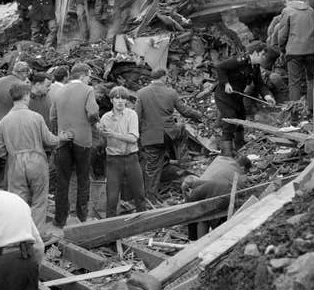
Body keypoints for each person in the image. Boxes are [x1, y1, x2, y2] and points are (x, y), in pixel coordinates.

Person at [0, 82, 64, 235]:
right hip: (37, 160)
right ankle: (37, 234)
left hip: (15, 164)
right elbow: (50, 141)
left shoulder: (4, 121)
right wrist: (62, 138)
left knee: (18, 201)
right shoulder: (36, 117)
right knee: (39, 201)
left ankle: (20, 234)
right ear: (26, 96)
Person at [136, 69, 202, 200]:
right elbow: (184, 111)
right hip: (169, 134)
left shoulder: (141, 93)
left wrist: (137, 136)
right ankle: (184, 161)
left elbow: (137, 116)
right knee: (182, 128)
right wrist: (198, 115)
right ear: (164, 77)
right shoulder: (171, 92)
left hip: (150, 138)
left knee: (152, 167)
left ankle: (151, 197)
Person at [50, 62, 99, 227]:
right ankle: (82, 216)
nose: (89, 80)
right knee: (83, 178)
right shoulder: (88, 90)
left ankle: (59, 219)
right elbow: (92, 112)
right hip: (82, 140)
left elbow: (52, 116)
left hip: (63, 140)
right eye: (89, 77)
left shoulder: (59, 90)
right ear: (83, 75)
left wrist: (62, 129)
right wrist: (93, 123)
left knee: (62, 180)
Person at [214, 41, 275, 154]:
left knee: (241, 117)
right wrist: (226, 83)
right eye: (262, 55)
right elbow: (220, 67)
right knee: (230, 120)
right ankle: (226, 153)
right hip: (224, 96)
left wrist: (267, 97)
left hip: (237, 96)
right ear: (255, 53)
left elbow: (260, 84)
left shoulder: (255, 67)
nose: (263, 58)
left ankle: (239, 146)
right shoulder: (239, 61)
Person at [99, 86, 145, 217]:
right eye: (117, 98)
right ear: (112, 100)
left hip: (131, 158)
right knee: (112, 198)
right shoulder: (105, 118)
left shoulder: (132, 114)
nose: (120, 101)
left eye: (123, 98)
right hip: (113, 161)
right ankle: (110, 231)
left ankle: (143, 226)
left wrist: (113, 134)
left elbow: (133, 138)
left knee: (139, 194)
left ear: (126, 100)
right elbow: (102, 141)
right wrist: (100, 133)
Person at [181, 155, 249, 239]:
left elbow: (190, 215)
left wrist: (192, 238)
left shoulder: (196, 192)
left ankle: (202, 242)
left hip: (222, 198)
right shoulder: (205, 183)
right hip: (229, 195)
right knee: (206, 217)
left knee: (204, 219)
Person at [277, 0, 314, 111]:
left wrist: (282, 49)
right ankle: (312, 110)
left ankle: (295, 115)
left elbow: (282, 34)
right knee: (311, 80)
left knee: (294, 83)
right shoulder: (311, 10)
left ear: (288, 1)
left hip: (293, 52)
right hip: (311, 50)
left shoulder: (287, 11)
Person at [0, 60, 30, 135]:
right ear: (23, 73)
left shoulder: (0, 80)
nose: (27, 76)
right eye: (27, 73)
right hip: (9, 127)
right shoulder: (21, 85)